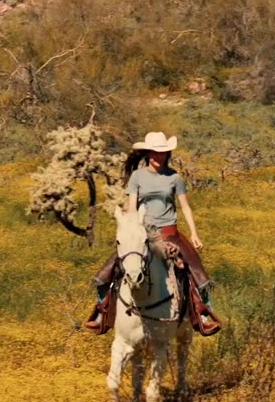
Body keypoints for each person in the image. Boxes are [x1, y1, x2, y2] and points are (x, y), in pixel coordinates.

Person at [84, 132, 222, 336]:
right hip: (144, 232)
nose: (159, 157)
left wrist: (194, 233)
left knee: (195, 269)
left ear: (167, 154)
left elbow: (185, 207)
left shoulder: (174, 177)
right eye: (155, 153)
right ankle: (101, 311)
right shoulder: (137, 177)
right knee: (109, 270)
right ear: (148, 154)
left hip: (169, 232)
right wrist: (129, 230)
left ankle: (203, 313)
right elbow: (132, 207)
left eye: (163, 153)